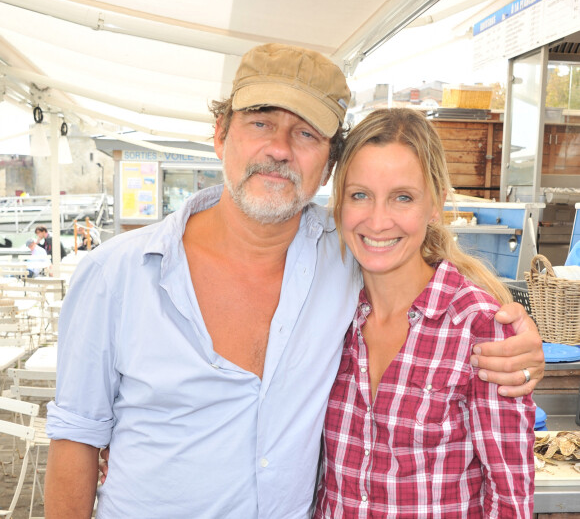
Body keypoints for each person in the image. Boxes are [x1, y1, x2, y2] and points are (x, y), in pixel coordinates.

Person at [45, 43, 544, 519]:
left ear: (329, 164)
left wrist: (517, 339)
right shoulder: (116, 274)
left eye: (306, 134)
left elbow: (426, 268)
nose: (280, 149)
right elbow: (75, 440)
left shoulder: (348, 258)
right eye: (260, 121)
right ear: (220, 133)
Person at [314, 109, 535, 518]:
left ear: (435, 204)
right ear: (339, 202)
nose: (378, 221)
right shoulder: (326, 311)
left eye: (403, 197)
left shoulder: (480, 328)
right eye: (359, 195)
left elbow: (509, 500)